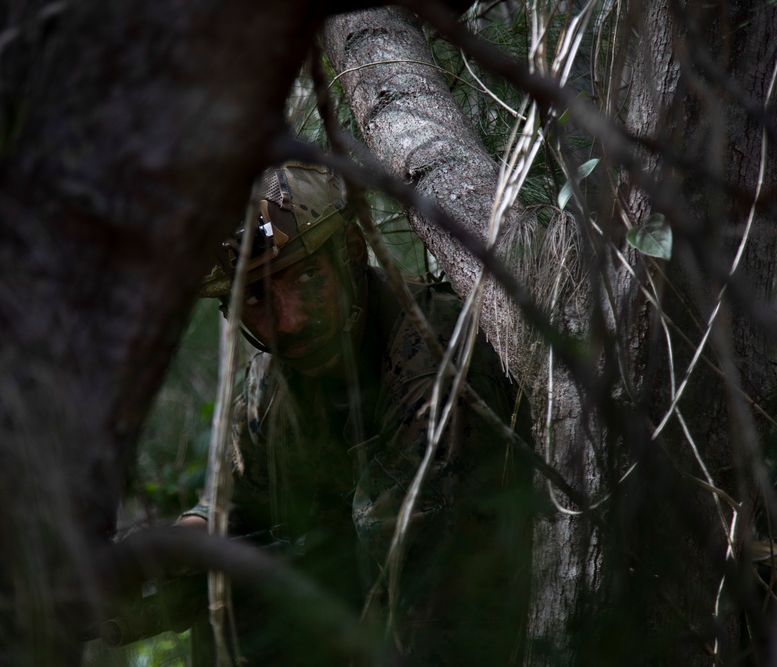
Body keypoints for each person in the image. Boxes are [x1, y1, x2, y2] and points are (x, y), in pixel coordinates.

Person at [178, 161, 535, 665]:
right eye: (256, 297)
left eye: (303, 276)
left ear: (349, 252)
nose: (289, 320)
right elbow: (236, 503)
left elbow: (435, 606)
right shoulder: (274, 384)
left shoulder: (435, 357)